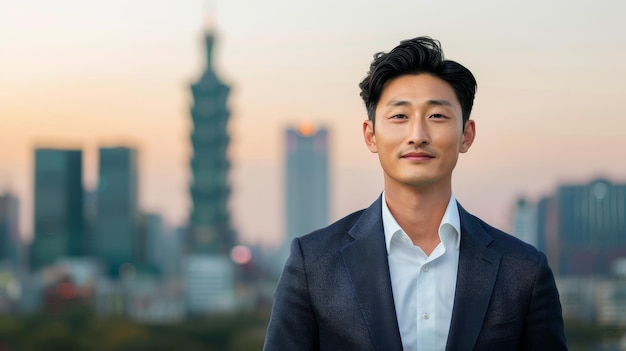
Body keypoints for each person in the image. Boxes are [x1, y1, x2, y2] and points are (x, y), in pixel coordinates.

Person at [263, 36, 567, 351]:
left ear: (466, 135)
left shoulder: (523, 270)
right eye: (399, 116)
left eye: (437, 116)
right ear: (371, 136)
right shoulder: (314, 264)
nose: (417, 136)